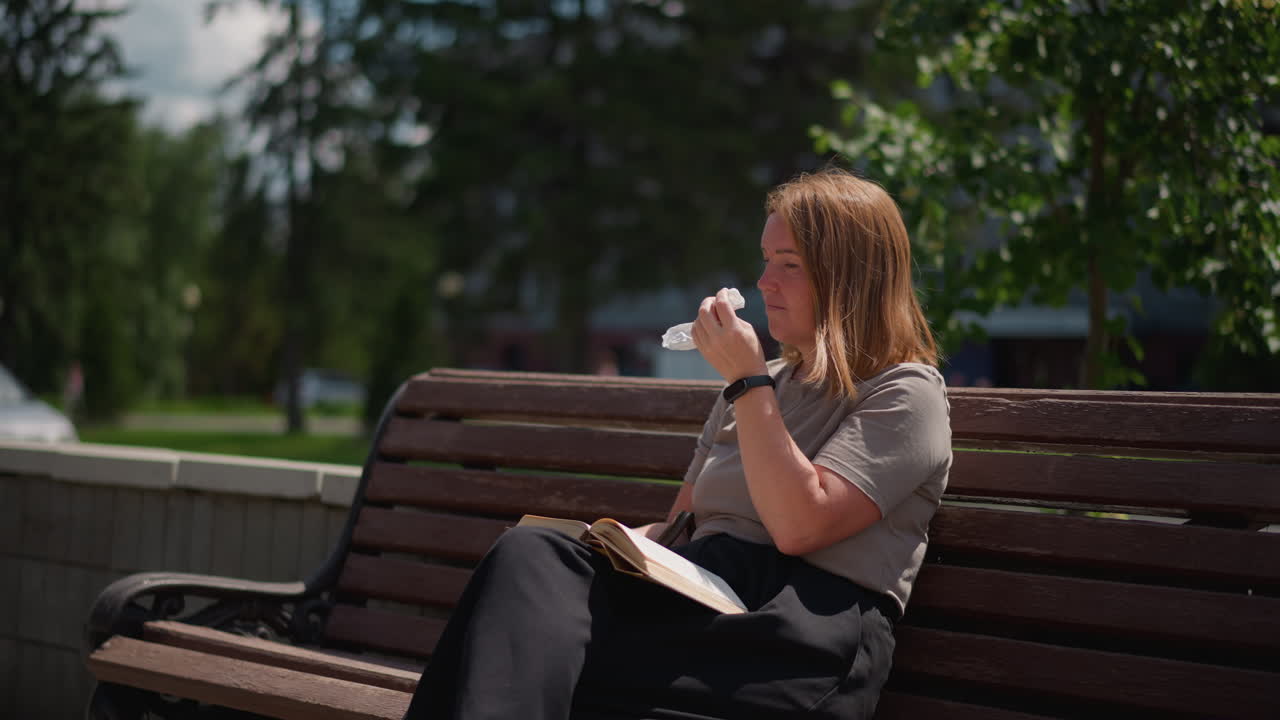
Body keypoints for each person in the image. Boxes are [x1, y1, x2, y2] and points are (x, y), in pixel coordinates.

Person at [402, 168, 952, 720]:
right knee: (530, 558)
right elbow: (679, 529)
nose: (765, 282)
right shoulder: (762, 384)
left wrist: (747, 382)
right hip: (699, 605)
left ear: (850, 279)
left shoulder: (905, 392)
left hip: (792, 637)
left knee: (524, 653)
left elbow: (799, 526)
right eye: (766, 260)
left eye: (789, 264)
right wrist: (608, 542)